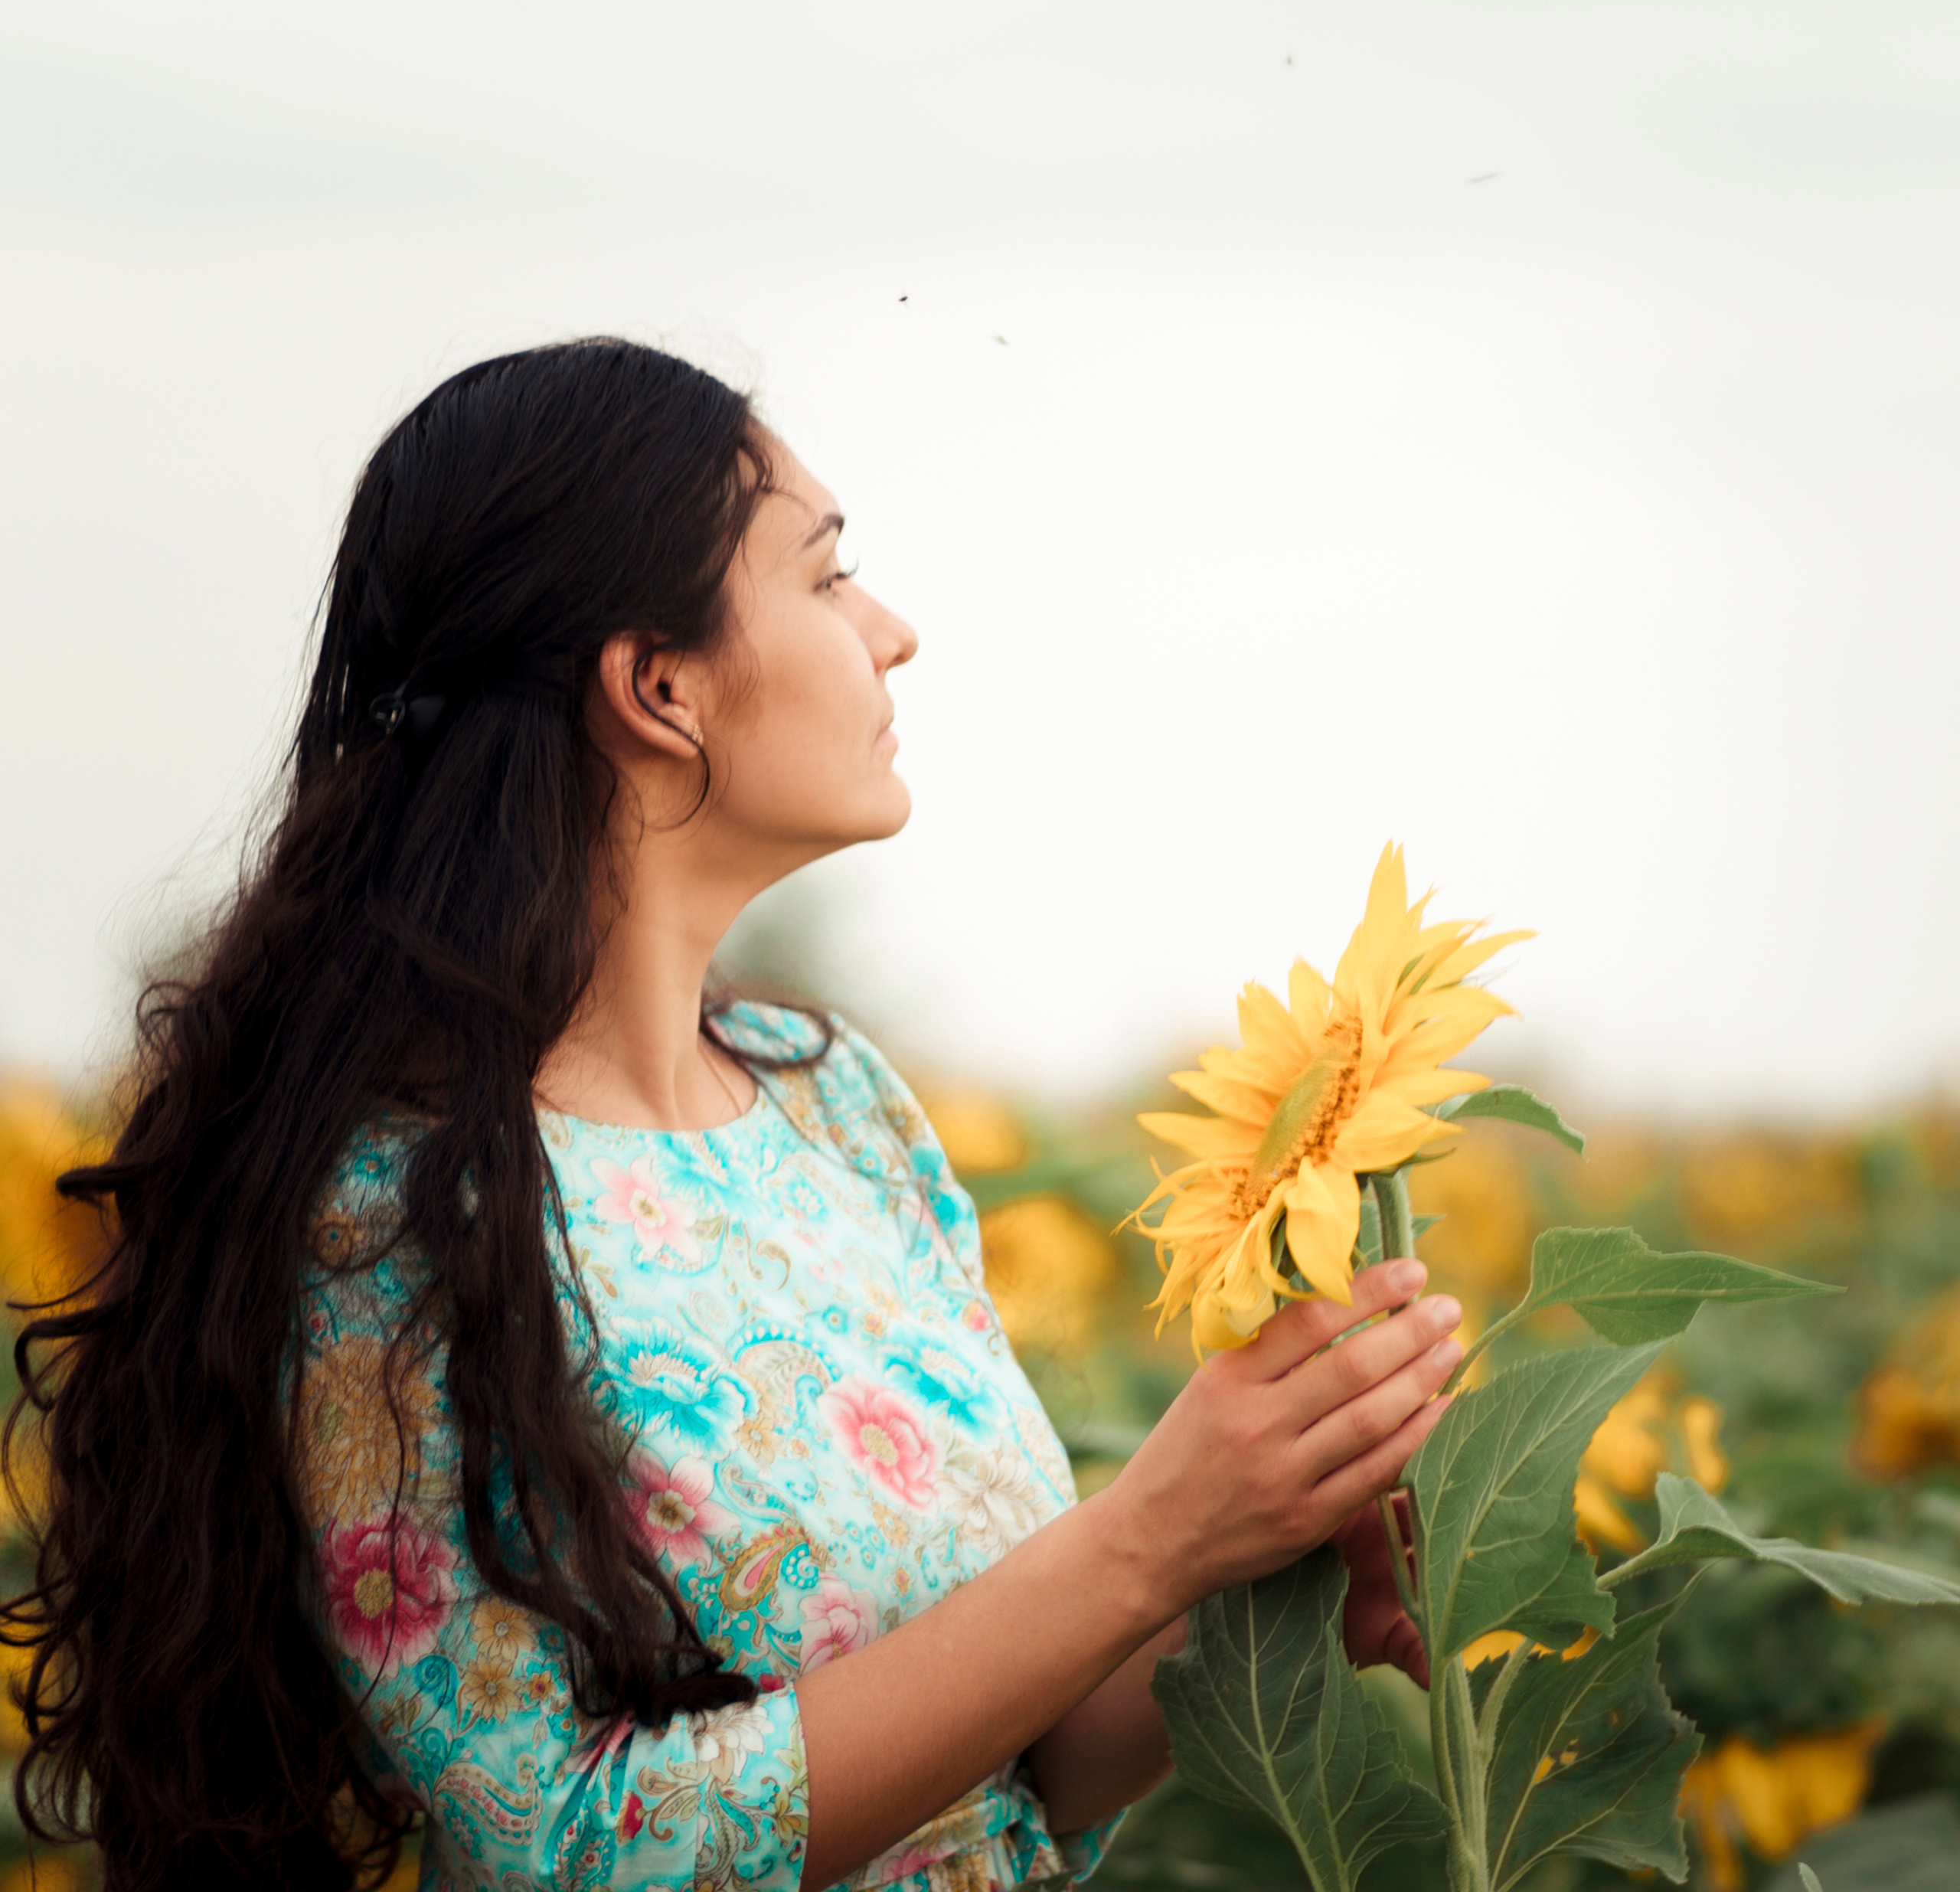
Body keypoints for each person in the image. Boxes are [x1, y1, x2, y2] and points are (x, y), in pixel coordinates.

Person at [4, 339, 1463, 1892]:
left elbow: (1012, 1769)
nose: (892, 633)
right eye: (829, 578)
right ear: (659, 686)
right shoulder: (388, 1209)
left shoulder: (835, 1102)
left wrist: (1263, 1569)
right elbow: (563, 1843)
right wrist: (1139, 1542)